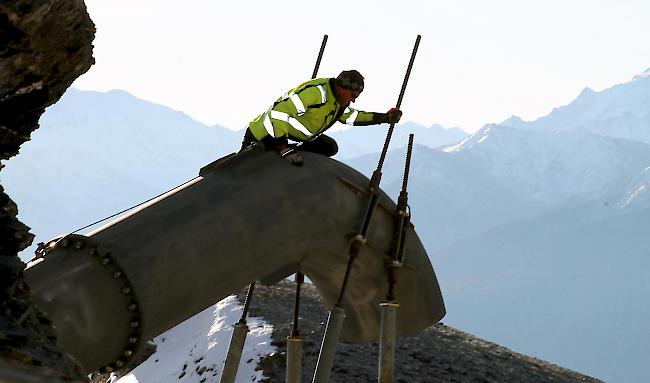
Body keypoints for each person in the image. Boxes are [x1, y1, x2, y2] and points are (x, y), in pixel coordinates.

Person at [240, 70, 402, 166]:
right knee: (242, 171)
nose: (353, 100)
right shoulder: (317, 93)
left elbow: (352, 117)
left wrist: (385, 118)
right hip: (266, 135)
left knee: (329, 147)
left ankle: (290, 156)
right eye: (353, 95)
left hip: (289, 138)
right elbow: (279, 111)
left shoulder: (337, 103)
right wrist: (282, 147)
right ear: (343, 88)